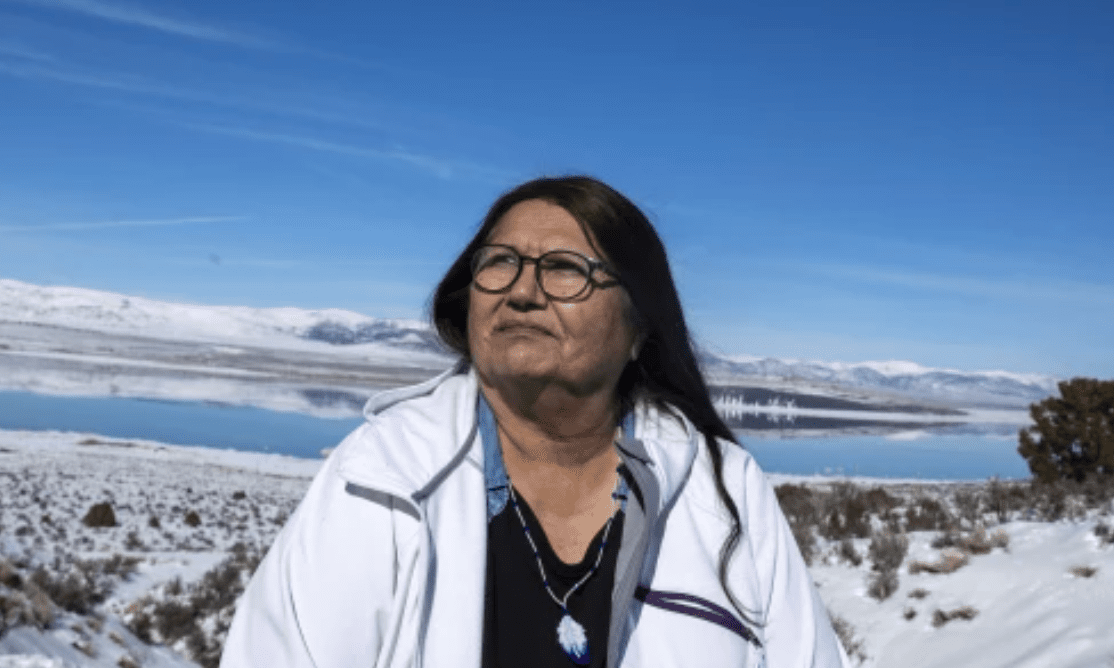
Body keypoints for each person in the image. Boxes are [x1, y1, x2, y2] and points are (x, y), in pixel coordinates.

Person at [221, 175, 849, 667]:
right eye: (499, 262)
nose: (522, 291)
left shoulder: (724, 491)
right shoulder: (380, 479)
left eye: (565, 269)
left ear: (639, 328)